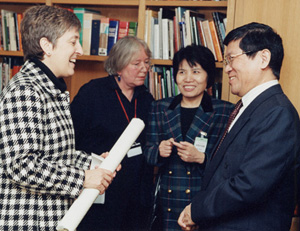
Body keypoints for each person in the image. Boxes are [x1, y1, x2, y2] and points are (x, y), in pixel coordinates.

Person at [0, 5, 117, 230]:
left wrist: (96, 165)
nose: (80, 50)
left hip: (50, 219)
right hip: (28, 222)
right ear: (47, 46)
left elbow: (53, 154)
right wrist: (83, 178)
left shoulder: (50, 89)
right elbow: (21, 165)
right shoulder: (25, 91)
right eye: (73, 42)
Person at [178, 22, 300, 231]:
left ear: (263, 58)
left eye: (232, 59)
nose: (227, 68)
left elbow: (249, 185)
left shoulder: (277, 113)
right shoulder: (249, 106)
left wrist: (196, 211)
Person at [144, 45, 234, 230]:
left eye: (195, 71)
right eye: (182, 72)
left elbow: (232, 163)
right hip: (167, 200)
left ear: (208, 75)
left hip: (203, 200)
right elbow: (147, 151)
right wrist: (159, 151)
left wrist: (201, 157)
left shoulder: (225, 111)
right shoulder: (160, 107)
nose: (188, 79)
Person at [70, 36, 154, 230]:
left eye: (147, 62)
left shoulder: (147, 99)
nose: (144, 68)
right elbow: (71, 141)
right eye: (136, 63)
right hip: (100, 192)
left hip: (135, 195)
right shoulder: (92, 93)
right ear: (119, 66)